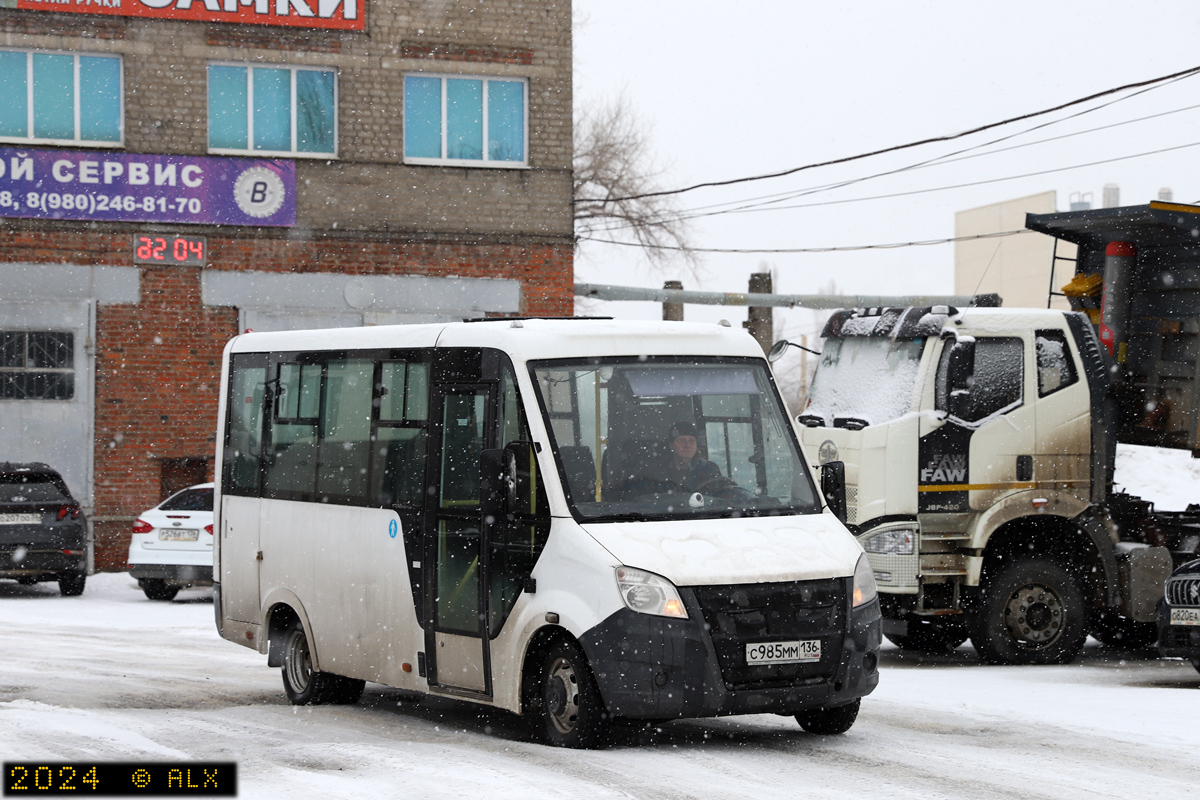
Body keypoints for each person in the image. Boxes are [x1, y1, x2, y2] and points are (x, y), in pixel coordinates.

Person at [655, 421, 723, 493]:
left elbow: (724, 492)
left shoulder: (709, 469)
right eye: (681, 440)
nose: (687, 445)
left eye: (692, 440)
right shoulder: (658, 472)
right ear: (671, 445)